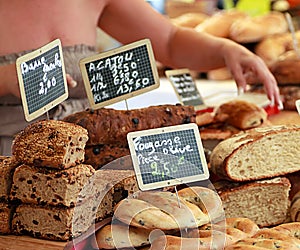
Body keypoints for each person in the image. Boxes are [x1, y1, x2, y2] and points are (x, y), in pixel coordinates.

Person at [0, 0, 281, 155]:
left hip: (85, 160)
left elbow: (170, 42)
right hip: (10, 166)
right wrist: (4, 78)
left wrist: (225, 50)